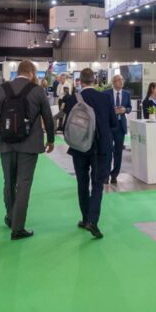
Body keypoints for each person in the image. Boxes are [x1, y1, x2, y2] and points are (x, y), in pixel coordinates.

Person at [0, 60, 55, 240]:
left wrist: (5, 125)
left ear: (18, 72)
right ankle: (18, 228)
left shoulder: (1, 89)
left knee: (9, 182)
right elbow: (48, 117)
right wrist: (51, 140)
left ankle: (10, 217)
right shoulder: (37, 91)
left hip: (6, 144)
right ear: (31, 73)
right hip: (30, 145)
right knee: (23, 184)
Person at [63, 68, 117, 239]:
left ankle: (85, 218)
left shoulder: (73, 99)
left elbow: (66, 125)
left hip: (79, 147)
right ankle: (93, 221)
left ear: (80, 81)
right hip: (101, 147)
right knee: (98, 183)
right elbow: (113, 123)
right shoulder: (105, 98)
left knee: (82, 182)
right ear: (94, 80)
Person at [103, 74, 132, 185]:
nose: (121, 82)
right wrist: (112, 111)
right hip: (109, 126)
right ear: (114, 82)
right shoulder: (106, 93)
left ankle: (114, 175)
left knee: (118, 151)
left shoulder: (126, 94)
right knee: (108, 151)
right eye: (119, 80)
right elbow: (102, 108)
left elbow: (129, 108)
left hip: (120, 125)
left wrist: (125, 110)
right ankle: (106, 175)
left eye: (122, 80)